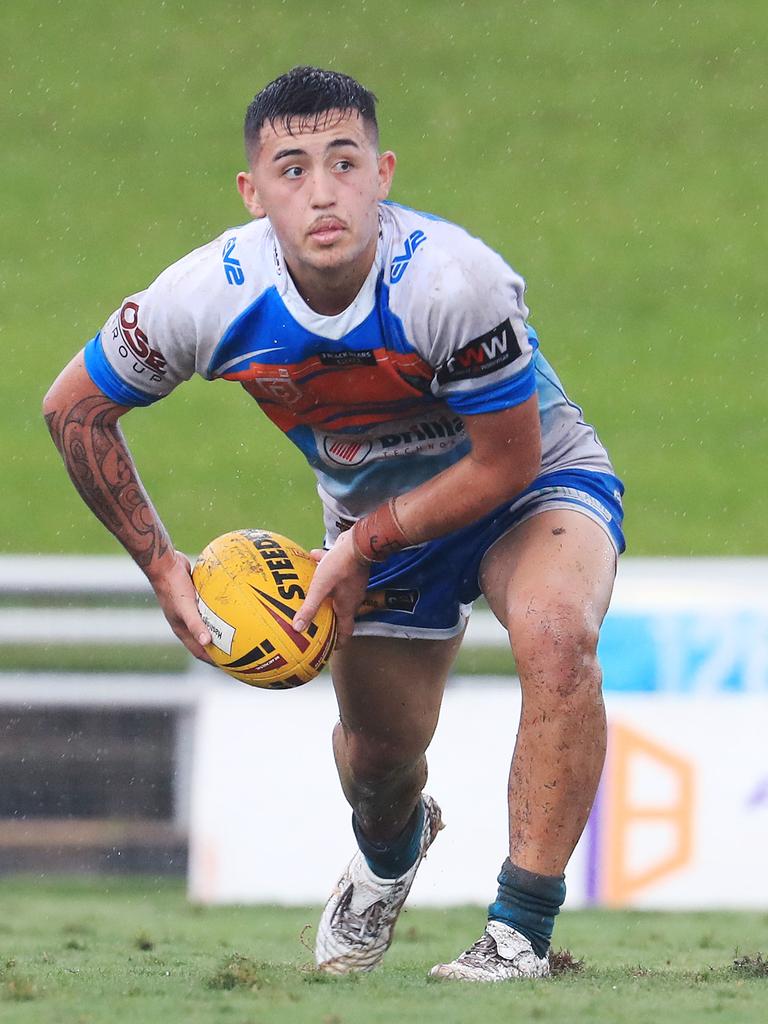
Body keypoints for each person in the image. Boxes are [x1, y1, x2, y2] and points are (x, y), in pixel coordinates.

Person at [43, 66, 624, 981]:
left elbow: (506, 461)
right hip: (374, 521)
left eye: (344, 162)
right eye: (292, 167)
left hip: (533, 488)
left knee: (558, 635)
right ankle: (390, 853)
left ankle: (519, 931)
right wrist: (162, 566)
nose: (322, 191)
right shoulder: (210, 294)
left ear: (382, 172)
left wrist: (358, 544)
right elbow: (72, 409)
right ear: (253, 190)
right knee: (379, 766)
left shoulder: (453, 280)